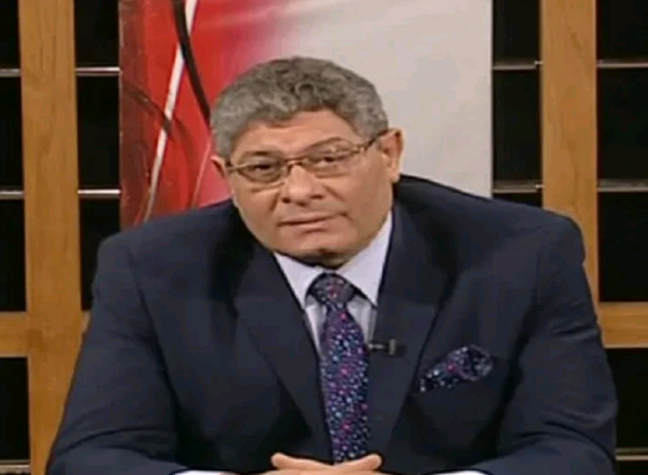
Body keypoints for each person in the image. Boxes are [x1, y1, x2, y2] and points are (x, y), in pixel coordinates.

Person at [47, 57, 617, 475]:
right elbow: (92, 457)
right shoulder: (151, 268)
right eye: (263, 168)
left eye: (328, 160)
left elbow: (573, 451)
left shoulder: (520, 253)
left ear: (388, 154)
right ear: (225, 176)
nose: (299, 191)